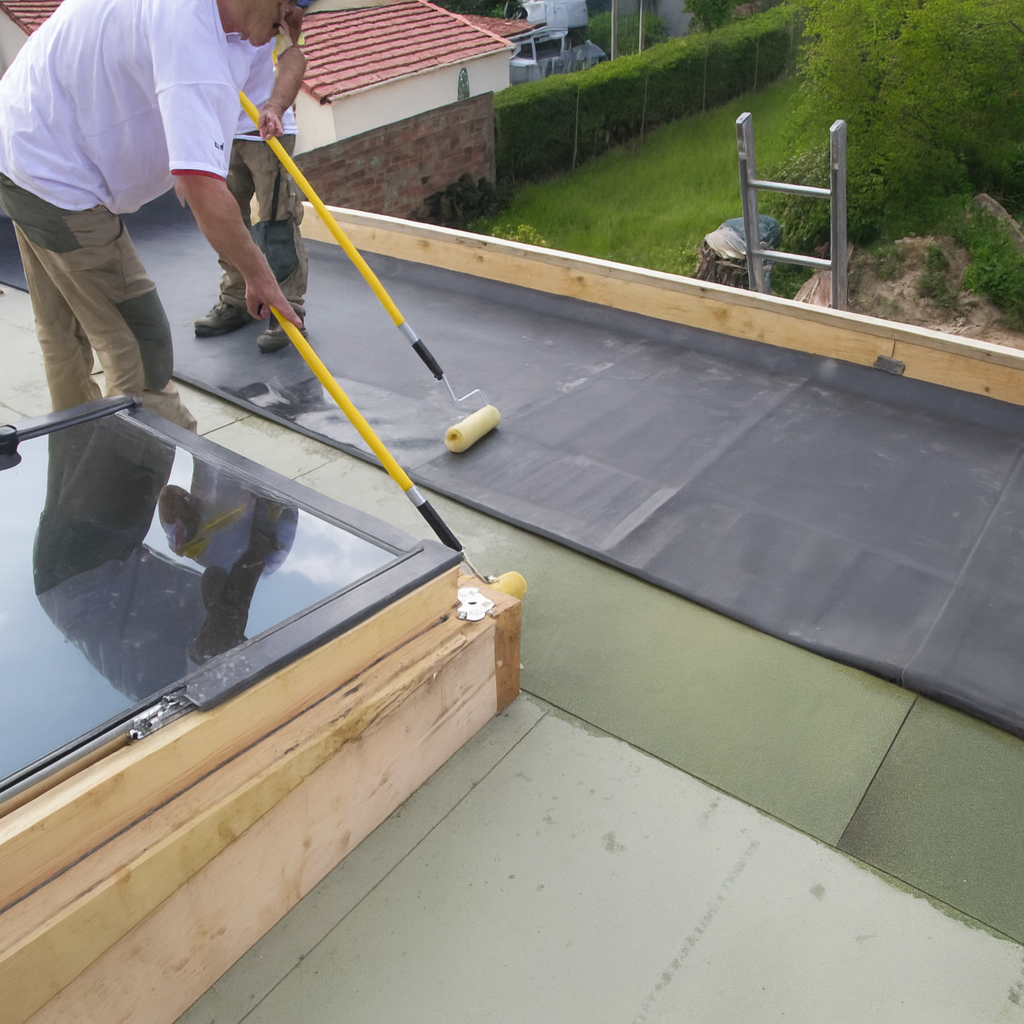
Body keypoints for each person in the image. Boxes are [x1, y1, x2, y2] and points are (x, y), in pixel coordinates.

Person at [0, 0, 304, 432]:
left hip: (24, 140)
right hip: (53, 169)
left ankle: (83, 466)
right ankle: (146, 471)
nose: (294, 14)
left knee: (64, 329)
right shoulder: (187, 29)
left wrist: (290, 61)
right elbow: (199, 185)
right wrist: (259, 274)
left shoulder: (247, 29)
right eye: (288, 2)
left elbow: (263, 101)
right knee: (140, 347)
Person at [194, 1, 311, 354]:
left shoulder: (275, 7)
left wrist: (274, 106)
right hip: (222, 128)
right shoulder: (197, 11)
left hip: (266, 131)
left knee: (276, 222)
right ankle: (236, 298)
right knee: (228, 221)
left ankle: (287, 310)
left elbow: (294, 57)